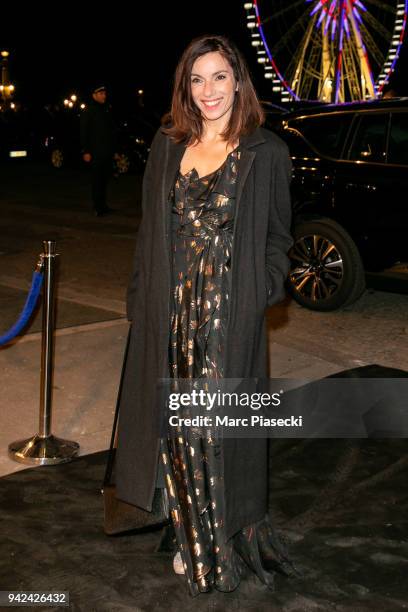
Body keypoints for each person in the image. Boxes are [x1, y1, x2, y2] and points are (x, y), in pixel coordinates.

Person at [112, 35, 298, 596]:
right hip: (170, 310)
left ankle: (221, 535)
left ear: (239, 81)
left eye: (219, 76)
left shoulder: (265, 152)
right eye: (197, 79)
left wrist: (258, 291)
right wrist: (139, 299)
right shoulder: (167, 146)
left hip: (228, 316)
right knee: (176, 428)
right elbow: (149, 231)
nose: (209, 90)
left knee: (217, 430)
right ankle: (188, 528)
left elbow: (278, 238)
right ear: (184, 88)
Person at [80, 84, 116, 216]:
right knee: (97, 180)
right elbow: (84, 131)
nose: (104, 96)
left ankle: (103, 205)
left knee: (104, 179)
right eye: (101, 94)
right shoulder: (89, 110)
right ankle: (97, 207)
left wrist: (113, 149)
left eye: (104, 93)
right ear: (94, 95)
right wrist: (86, 151)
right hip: (95, 152)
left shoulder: (106, 109)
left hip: (105, 151)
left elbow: (110, 131)